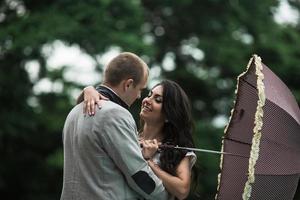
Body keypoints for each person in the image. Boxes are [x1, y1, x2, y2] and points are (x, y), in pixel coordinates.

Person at [60, 52, 169, 200]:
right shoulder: (116, 114)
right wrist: (164, 195)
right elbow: (137, 174)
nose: (138, 96)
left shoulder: (75, 111)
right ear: (128, 84)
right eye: (140, 90)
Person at [83, 80, 197, 200]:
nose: (147, 100)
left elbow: (182, 190)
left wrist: (149, 162)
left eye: (157, 100)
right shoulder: (128, 137)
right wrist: (89, 90)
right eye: (149, 95)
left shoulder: (176, 151)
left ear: (169, 114)